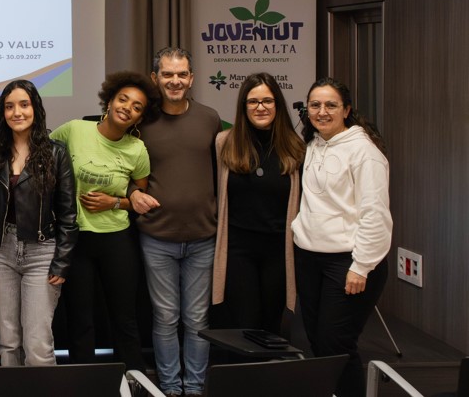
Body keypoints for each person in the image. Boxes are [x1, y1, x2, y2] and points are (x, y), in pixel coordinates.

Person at [50, 71, 160, 371]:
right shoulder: (74, 130)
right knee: (80, 319)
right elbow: (44, 158)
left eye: (136, 107)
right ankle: (85, 385)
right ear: (109, 101)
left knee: (124, 319)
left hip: (117, 239)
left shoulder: (137, 150)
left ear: (140, 118)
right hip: (76, 239)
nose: (127, 108)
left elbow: (137, 197)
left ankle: (134, 381)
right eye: (123, 99)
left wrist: (113, 202)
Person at [128, 47, 220, 397]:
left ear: (191, 78)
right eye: (167, 74)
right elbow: (124, 169)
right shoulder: (141, 122)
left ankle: (194, 388)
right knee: (165, 318)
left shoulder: (210, 119)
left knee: (197, 320)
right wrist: (131, 194)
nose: (175, 81)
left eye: (182, 74)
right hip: (157, 236)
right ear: (155, 78)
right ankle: (169, 388)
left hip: (203, 237)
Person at [293, 77, 391, 397]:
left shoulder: (364, 152)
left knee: (337, 345)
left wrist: (361, 266)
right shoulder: (312, 144)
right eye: (315, 105)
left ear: (346, 110)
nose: (322, 111)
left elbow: (374, 214)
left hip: (347, 263)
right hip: (309, 258)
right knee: (318, 342)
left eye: (331, 105)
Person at [0, 80, 78, 367]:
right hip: (0, 252)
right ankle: (11, 388)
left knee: (37, 344)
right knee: (9, 341)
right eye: (9, 106)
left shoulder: (56, 153)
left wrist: (62, 262)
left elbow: (68, 214)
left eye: (24, 105)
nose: (17, 112)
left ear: (35, 108)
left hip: (42, 252)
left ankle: (42, 388)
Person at [211, 72, 305, 335]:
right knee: (245, 323)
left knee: (272, 324)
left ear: (278, 104)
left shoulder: (295, 148)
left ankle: (270, 364)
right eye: (253, 101)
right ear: (243, 107)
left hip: (279, 251)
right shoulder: (224, 143)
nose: (260, 107)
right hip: (238, 250)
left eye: (267, 101)